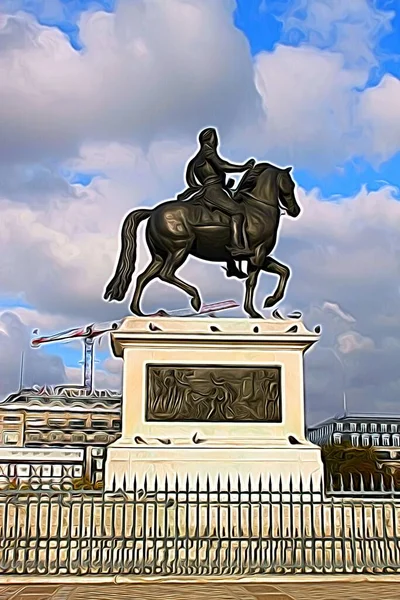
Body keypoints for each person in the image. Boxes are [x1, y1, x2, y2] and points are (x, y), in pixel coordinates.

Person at [177, 127, 255, 256]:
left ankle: (230, 263)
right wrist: (244, 167)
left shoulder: (196, 159)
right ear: (211, 139)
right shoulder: (208, 151)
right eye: (215, 137)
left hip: (213, 190)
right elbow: (222, 165)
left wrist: (226, 184)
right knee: (238, 211)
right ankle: (237, 247)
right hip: (213, 191)